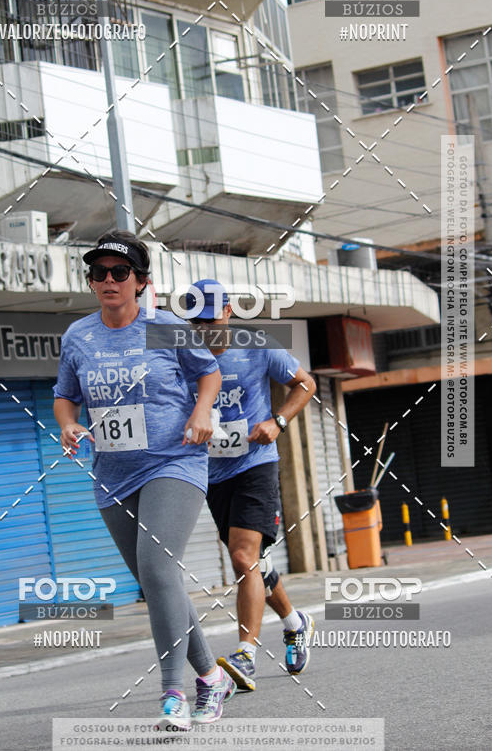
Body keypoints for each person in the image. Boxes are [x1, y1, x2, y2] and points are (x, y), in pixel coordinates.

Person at [53, 233, 235, 730]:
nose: (109, 280)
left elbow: (210, 374)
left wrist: (202, 413)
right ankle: (212, 679)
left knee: (157, 569)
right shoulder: (79, 337)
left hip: (173, 462)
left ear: (141, 282)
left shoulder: (165, 327)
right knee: (159, 582)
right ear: (91, 281)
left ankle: (173, 694)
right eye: (99, 272)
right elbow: (65, 395)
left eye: (120, 272)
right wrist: (68, 424)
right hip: (112, 474)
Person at [184, 278, 317, 691]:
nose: (205, 328)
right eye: (197, 321)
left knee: (243, 560)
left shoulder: (257, 344)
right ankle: (296, 623)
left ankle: (246, 653)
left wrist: (277, 421)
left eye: (212, 318)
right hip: (213, 473)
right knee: (254, 564)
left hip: (256, 464)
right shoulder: (184, 355)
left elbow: (306, 383)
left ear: (228, 311)